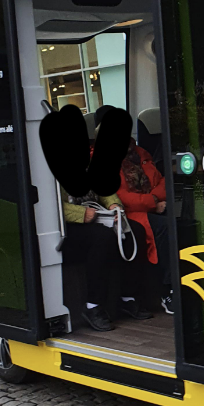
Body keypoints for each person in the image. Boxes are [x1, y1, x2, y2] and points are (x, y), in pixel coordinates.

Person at [61, 191, 152, 331]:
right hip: (66, 226)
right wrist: (81, 213)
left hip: (97, 217)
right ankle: (93, 305)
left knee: (136, 230)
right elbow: (49, 205)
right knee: (103, 237)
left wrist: (114, 206)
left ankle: (128, 298)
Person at [114, 136, 174, 314]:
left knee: (182, 222)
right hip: (130, 213)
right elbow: (120, 197)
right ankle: (167, 290)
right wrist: (152, 203)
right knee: (165, 227)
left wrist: (154, 200)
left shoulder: (140, 153)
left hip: (152, 206)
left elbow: (163, 181)